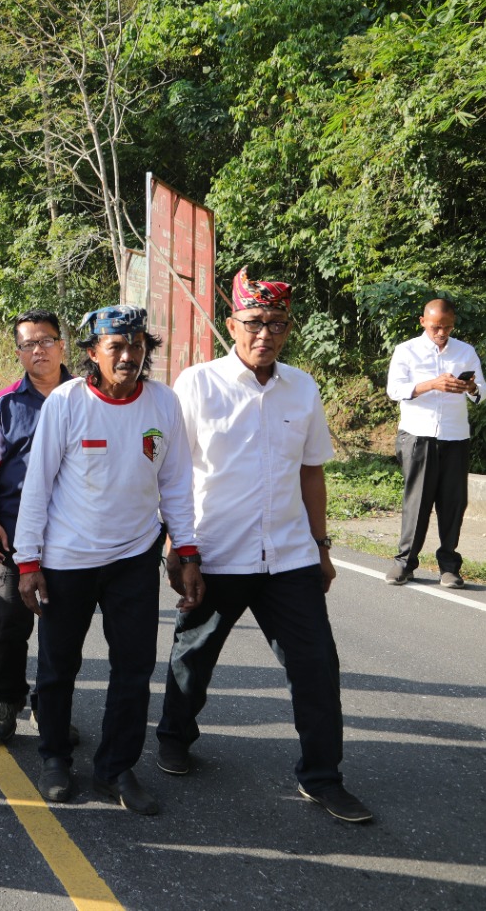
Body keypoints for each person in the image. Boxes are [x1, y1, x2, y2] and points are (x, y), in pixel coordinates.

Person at [155, 269, 373, 824]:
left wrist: (321, 547)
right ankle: (175, 736)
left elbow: (311, 473)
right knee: (193, 658)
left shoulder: (302, 387)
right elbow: (174, 474)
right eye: (253, 322)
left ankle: (322, 776)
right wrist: (181, 551)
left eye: (276, 324)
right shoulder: (198, 384)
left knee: (317, 667)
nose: (264, 334)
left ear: (288, 328)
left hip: (289, 556)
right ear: (232, 323)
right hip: (216, 554)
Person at [15, 305, 197, 816]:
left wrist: (185, 551)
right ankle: (54, 757)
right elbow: (37, 487)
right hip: (67, 560)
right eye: (115, 346)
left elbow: (176, 484)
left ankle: (116, 768)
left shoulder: (163, 404)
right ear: (93, 353)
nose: (128, 355)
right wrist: (28, 563)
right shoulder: (67, 403)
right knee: (58, 665)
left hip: (134, 558)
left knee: (134, 667)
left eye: (137, 345)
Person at [0, 309, 75, 745]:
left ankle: (50, 708)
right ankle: (6, 700)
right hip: (14, 536)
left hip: (72, 536)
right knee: (10, 621)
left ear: (62, 345)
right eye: (29, 344)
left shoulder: (86, 396)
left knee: (61, 629)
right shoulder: (6, 404)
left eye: (47, 340)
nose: (39, 350)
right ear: (18, 352)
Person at [385, 298, 486, 589]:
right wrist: (431, 384)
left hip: (455, 436)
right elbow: (394, 389)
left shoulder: (465, 351)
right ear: (422, 322)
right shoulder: (406, 351)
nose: (441, 333)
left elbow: (483, 390)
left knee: (453, 503)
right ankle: (404, 563)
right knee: (417, 501)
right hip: (418, 435)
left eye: (447, 327)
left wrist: (470, 387)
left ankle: (449, 566)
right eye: (435, 328)